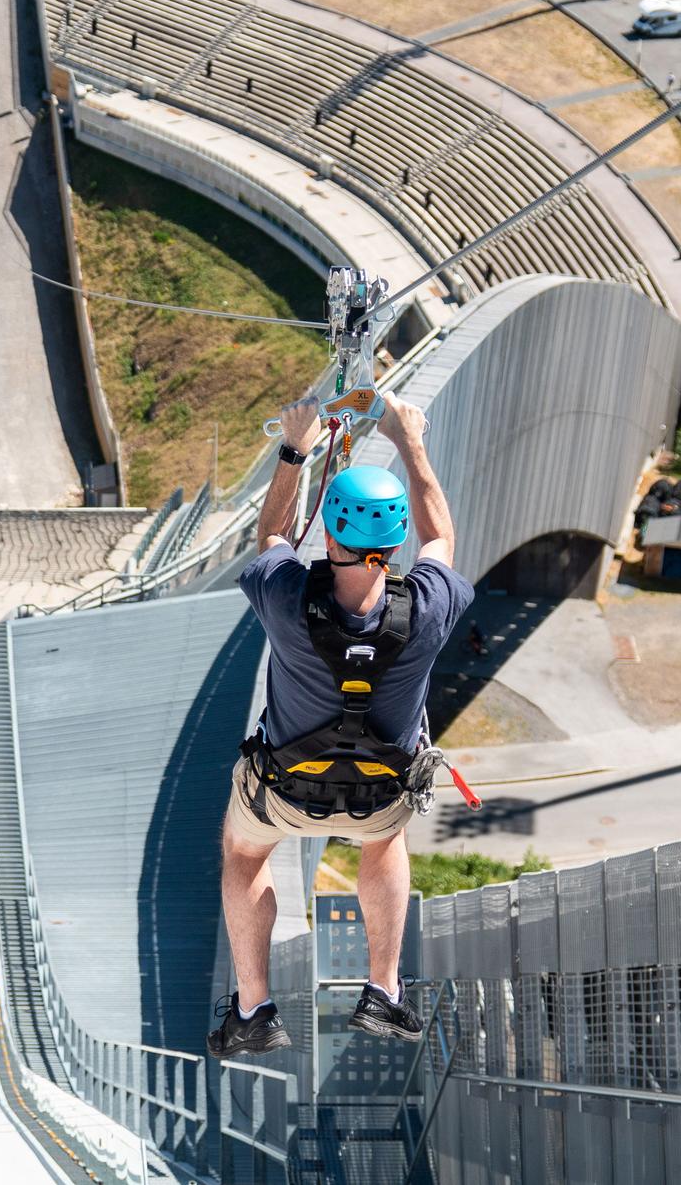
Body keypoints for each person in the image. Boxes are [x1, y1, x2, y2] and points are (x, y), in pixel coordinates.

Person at [210, 391, 473, 1059]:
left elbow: (270, 535)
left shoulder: (286, 598)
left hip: (286, 792)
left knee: (243, 853)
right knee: (385, 844)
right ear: (396, 541)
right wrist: (411, 440)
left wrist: (298, 448)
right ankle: (382, 989)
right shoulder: (431, 607)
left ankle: (252, 1008)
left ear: (330, 533)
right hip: (378, 797)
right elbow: (442, 536)